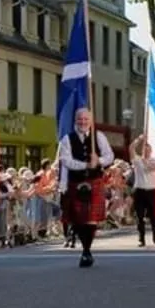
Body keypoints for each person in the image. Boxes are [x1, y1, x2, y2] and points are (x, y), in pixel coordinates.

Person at [59, 108, 114, 267]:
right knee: (78, 220)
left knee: (90, 220)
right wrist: (85, 164)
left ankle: (86, 250)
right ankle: (85, 248)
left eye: (86, 119)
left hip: (94, 181)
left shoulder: (99, 136)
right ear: (75, 120)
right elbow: (66, 161)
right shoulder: (67, 139)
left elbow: (109, 156)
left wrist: (100, 161)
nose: (83, 122)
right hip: (75, 183)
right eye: (80, 119)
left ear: (91, 121)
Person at [129, 134, 155, 247]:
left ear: (151, 151)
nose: (146, 152)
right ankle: (141, 237)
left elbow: (151, 167)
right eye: (144, 149)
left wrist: (144, 160)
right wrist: (139, 139)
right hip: (140, 191)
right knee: (140, 216)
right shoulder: (137, 160)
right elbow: (131, 148)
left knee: (153, 215)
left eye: (148, 150)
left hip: (151, 191)